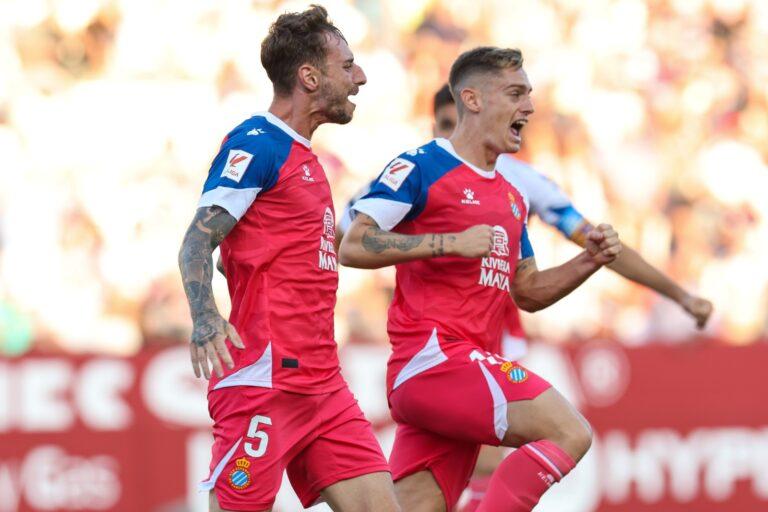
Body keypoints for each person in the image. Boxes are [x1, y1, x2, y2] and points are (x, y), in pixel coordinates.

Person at [339, 46, 622, 511]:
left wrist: (588, 261)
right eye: (515, 94)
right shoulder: (421, 165)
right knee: (569, 431)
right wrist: (448, 242)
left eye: (529, 95)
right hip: (434, 360)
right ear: (472, 100)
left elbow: (527, 292)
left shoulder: (512, 196)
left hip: (456, 376)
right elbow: (354, 244)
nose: (528, 107)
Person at [177, 6, 398, 512]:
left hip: (323, 384)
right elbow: (197, 240)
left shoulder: (307, 159)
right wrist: (206, 316)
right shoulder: (258, 144)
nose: (360, 77)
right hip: (266, 382)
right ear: (309, 76)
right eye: (348, 66)